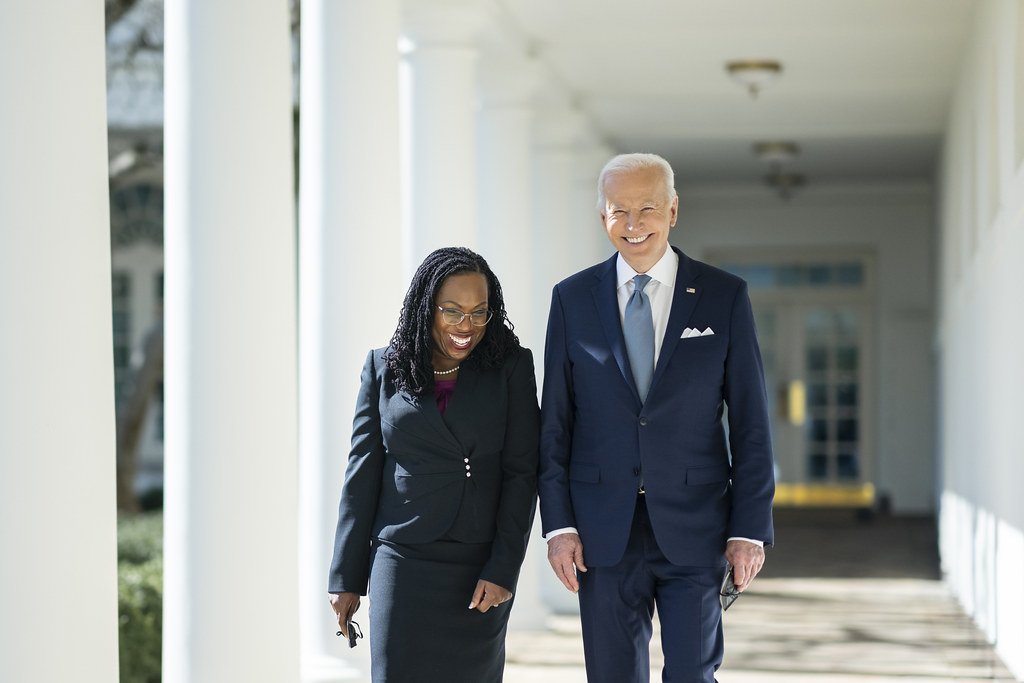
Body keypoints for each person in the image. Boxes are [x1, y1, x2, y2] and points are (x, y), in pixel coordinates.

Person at [538, 153, 775, 682]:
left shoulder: (723, 296)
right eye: (618, 210)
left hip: (698, 526)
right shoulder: (572, 299)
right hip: (600, 532)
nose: (633, 223)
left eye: (647, 208)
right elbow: (555, 422)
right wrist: (558, 525)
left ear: (673, 211)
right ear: (602, 218)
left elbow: (752, 423)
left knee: (693, 674)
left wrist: (749, 528)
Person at [328, 247, 539, 682]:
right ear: (427, 307)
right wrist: (346, 576)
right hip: (402, 559)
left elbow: (522, 473)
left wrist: (503, 568)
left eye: (479, 313)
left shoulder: (511, 367)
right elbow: (361, 474)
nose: (467, 327)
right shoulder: (383, 367)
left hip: (477, 566)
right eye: (453, 311)